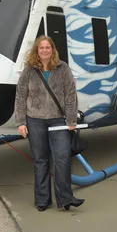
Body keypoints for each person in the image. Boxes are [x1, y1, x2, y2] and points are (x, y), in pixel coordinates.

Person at [14, 35, 85, 212]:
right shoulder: (29, 70)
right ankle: (42, 200)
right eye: (41, 48)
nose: (45, 50)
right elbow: (21, 96)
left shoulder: (63, 69)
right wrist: (21, 122)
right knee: (41, 160)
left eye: (48, 47)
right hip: (35, 120)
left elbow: (70, 96)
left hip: (58, 120)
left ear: (53, 50)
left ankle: (66, 198)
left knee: (62, 159)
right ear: (36, 51)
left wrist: (71, 120)